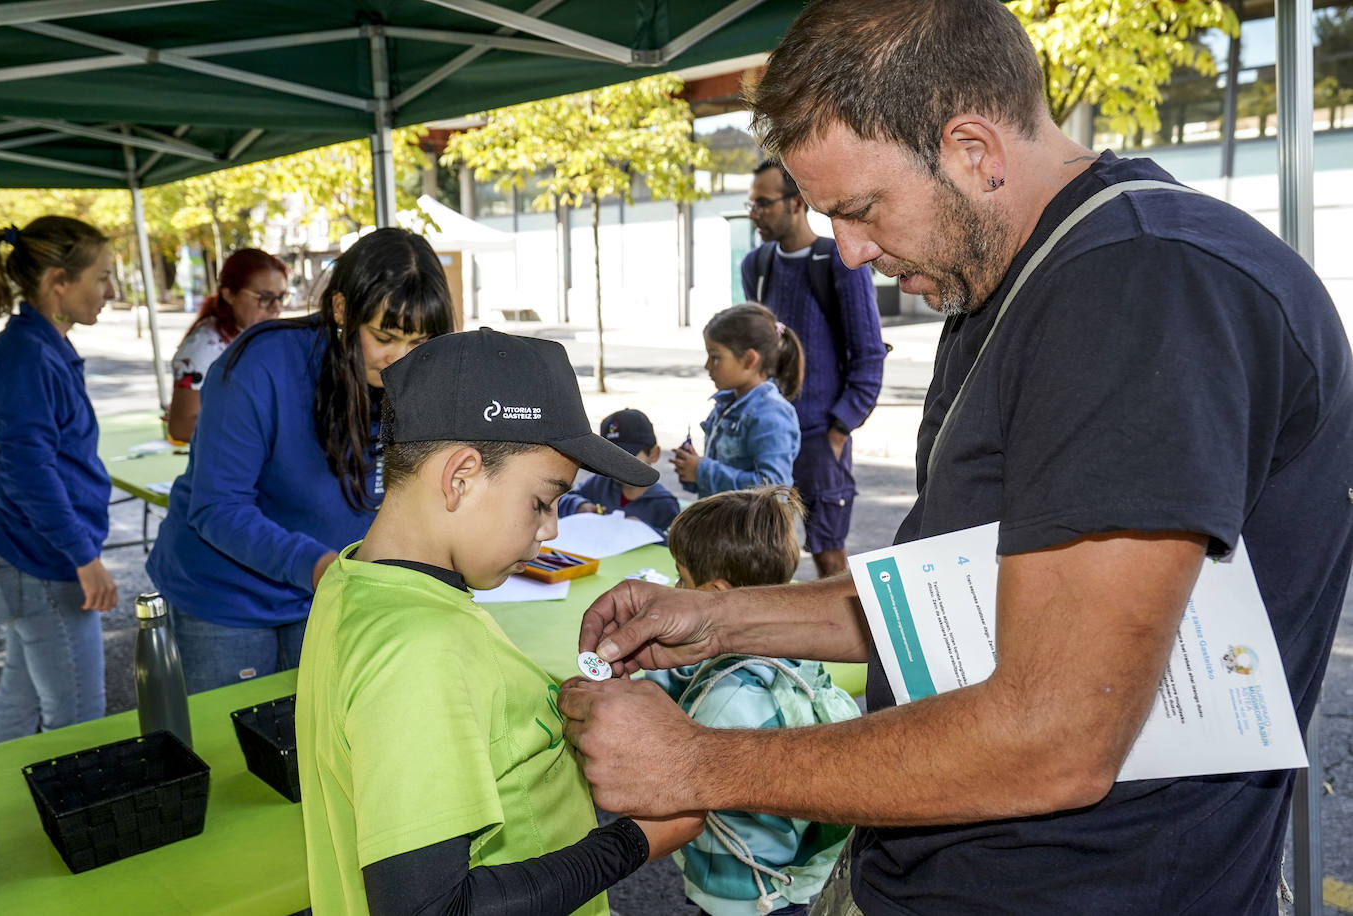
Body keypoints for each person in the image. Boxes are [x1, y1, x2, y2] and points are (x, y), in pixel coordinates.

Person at [557, 1, 1353, 913]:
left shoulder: (1142, 285)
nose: (850, 254)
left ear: (973, 147)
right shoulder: (1014, 279)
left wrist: (696, 762)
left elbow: (1056, 733)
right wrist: (719, 623)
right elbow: (949, 603)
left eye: (859, 211)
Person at [297, 328, 701, 915]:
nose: (551, 530)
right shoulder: (419, 648)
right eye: (542, 501)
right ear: (460, 477)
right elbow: (427, 908)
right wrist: (634, 840)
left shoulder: (356, 579)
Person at [146, 228, 456, 694]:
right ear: (340, 309)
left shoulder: (416, 377)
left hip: (325, 589)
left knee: (312, 749)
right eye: (384, 337)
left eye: (418, 343)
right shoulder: (259, 365)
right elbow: (216, 507)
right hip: (224, 597)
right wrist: (318, 566)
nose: (400, 361)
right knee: (230, 754)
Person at [646, 485, 858, 916]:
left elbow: (674, 765)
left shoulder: (729, 699)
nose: (672, 586)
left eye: (680, 578)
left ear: (714, 592)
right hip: (786, 878)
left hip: (741, 892)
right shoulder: (794, 655)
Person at [0, 217, 117, 745]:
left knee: (21, 702)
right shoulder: (26, 357)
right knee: (78, 721)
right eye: (101, 277)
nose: (109, 291)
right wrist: (85, 558)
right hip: (46, 562)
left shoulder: (38, 348)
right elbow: (30, 473)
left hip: (35, 558)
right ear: (59, 280)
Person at [742, 160, 885, 577]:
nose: (755, 215)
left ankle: (840, 642)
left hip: (821, 439)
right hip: (767, 435)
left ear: (797, 202)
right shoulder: (757, 265)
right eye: (751, 204)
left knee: (828, 556)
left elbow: (869, 355)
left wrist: (839, 430)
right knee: (763, 552)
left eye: (764, 204)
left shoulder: (837, 262)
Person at [672, 303, 803, 499]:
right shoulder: (726, 405)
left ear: (750, 360)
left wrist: (702, 471)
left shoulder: (771, 414)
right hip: (720, 526)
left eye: (715, 357)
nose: (707, 365)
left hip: (747, 530)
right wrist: (691, 469)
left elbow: (775, 492)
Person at [166, 248, 289, 443]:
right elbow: (181, 427)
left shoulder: (255, 334)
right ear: (229, 294)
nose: (277, 307)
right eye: (264, 298)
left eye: (281, 297)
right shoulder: (204, 347)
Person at [559, 408, 681, 536]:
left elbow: (675, 543)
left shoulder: (664, 504)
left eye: (628, 456)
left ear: (654, 454)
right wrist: (580, 506)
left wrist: (645, 531)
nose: (618, 465)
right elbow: (562, 500)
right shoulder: (599, 483)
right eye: (610, 457)